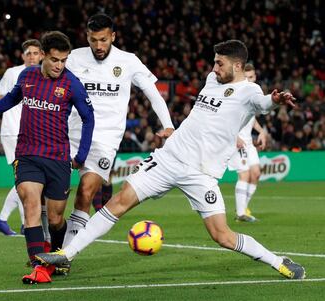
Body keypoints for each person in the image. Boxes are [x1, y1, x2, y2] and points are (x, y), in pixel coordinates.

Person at [35, 40, 305, 280]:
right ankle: (66, 253)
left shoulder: (249, 91)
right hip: (168, 159)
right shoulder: (212, 81)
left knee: (222, 235)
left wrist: (276, 99)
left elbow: (264, 102)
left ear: (237, 65)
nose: (213, 68)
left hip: (200, 173)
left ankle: (279, 262)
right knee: (118, 201)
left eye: (219, 63)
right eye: (214, 62)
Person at [0, 31, 95, 284]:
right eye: (55, 59)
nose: (59, 65)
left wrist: (82, 154)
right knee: (31, 206)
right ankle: (39, 268)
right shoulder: (27, 76)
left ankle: (56, 254)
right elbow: (9, 100)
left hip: (57, 157)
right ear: (42, 55)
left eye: (64, 60)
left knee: (55, 220)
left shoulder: (71, 83)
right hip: (28, 154)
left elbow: (89, 117)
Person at [61, 13, 174, 255]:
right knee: (55, 198)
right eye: (93, 40)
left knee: (86, 192)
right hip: (71, 134)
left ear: (113, 36)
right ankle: (52, 241)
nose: (98, 46)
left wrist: (168, 125)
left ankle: (64, 256)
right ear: (87, 37)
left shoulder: (129, 61)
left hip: (105, 139)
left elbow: (153, 94)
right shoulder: (74, 58)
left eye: (103, 40)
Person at [0, 39, 44, 236]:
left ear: (42, 55)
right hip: (13, 132)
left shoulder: (44, 75)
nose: (32, 57)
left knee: (26, 179)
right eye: (28, 53)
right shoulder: (13, 73)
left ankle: (9, 221)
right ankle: (14, 222)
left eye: (35, 53)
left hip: (33, 134)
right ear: (23, 56)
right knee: (25, 178)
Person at [228, 63, 267, 222]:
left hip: (249, 142)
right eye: (247, 77)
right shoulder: (237, 93)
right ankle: (241, 213)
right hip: (236, 141)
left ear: (255, 77)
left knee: (256, 173)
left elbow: (251, 117)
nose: (250, 80)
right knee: (244, 175)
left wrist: (261, 131)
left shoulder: (253, 93)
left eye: (252, 77)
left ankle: (242, 210)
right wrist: (234, 136)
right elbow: (227, 117)